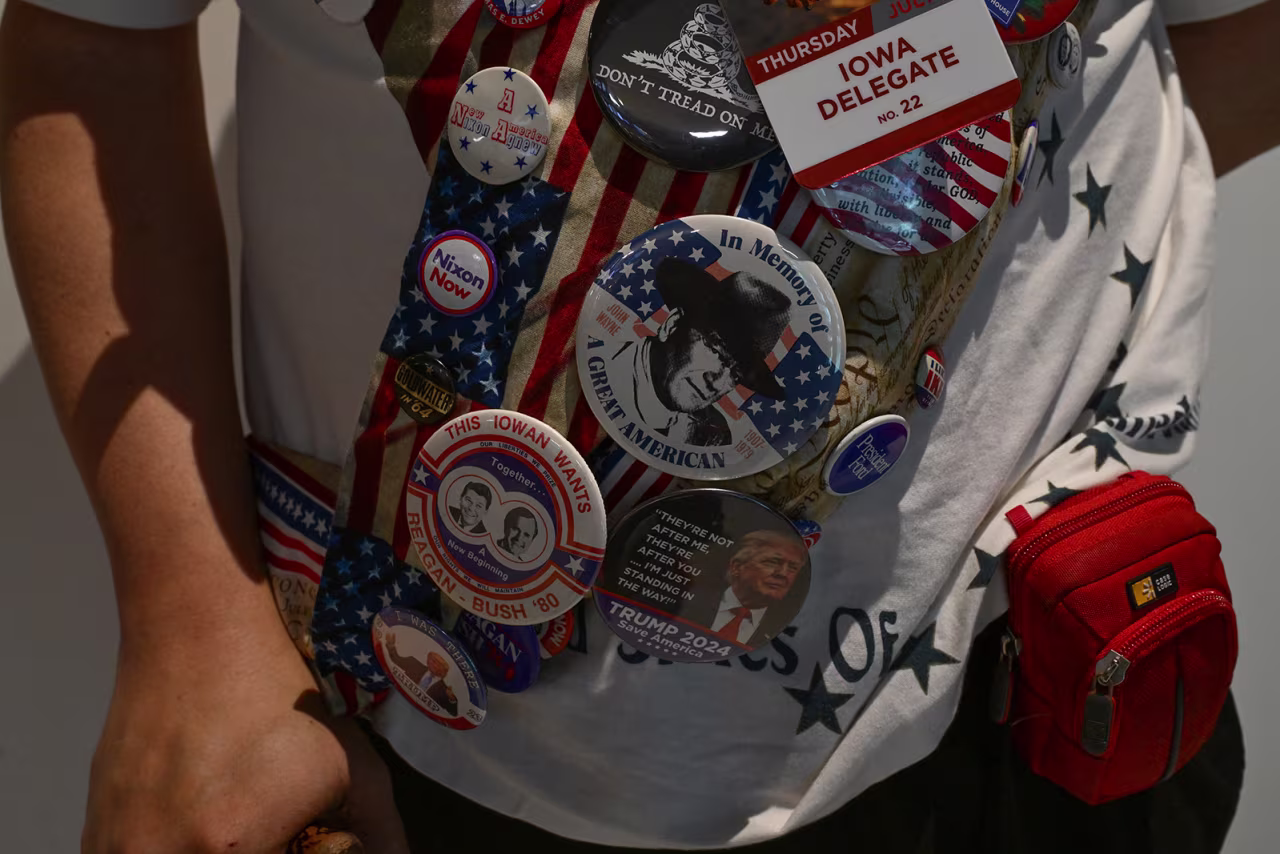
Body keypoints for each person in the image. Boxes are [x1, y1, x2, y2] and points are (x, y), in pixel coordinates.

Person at [2, 1, 1275, 853]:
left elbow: (1231, 37)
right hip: (424, 743)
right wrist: (190, 627)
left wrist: (913, 290)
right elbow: (88, 44)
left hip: (1039, 694)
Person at [612, 257, 791, 447]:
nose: (716, 382)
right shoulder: (606, 365)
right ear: (672, 325)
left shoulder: (712, 438)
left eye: (736, 375)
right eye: (715, 350)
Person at [686, 530, 807, 646]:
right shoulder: (687, 601)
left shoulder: (788, 629)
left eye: (793, 567)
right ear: (737, 567)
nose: (783, 573)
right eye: (773, 562)